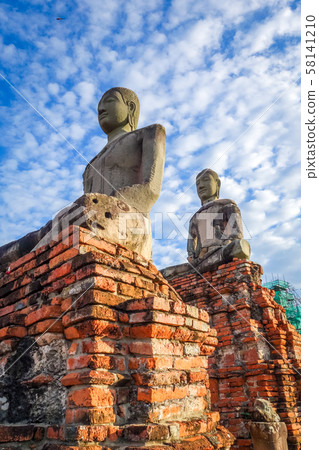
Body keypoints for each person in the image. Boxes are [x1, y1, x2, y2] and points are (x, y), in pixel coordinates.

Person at [83, 87, 166, 215]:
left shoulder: (148, 134)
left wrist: (112, 202)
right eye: (99, 106)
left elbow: (151, 189)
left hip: (127, 220)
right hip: (92, 221)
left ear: (131, 108)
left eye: (110, 101)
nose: (101, 109)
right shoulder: (91, 165)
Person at [187, 169, 251, 270]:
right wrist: (193, 258)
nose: (201, 186)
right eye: (197, 184)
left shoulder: (227, 205)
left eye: (206, 180)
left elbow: (236, 236)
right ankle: (201, 266)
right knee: (165, 273)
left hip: (221, 251)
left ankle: (202, 266)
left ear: (218, 184)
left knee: (239, 246)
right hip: (201, 258)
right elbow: (191, 250)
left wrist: (224, 246)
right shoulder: (194, 218)